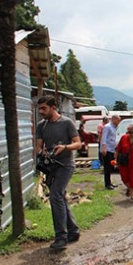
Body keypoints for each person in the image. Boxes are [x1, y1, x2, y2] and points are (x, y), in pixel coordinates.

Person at [35, 96, 83, 250]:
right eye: (39, 108)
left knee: (55, 195)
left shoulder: (67, 123)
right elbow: (38, 147)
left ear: (53, 107)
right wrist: (40, 156)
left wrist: (65, 148)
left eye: (44, 108)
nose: (41, 111)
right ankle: (73, 231)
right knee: (60, 196)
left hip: (66, 165)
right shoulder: (41, 126)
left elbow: (78, 143)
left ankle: (61, 237)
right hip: (51, 167)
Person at [100, 114, 121, 190]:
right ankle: (107, 184)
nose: (119, 122)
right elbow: (104, 138)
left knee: (112, 166)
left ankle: (110, 182)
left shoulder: (114, 128)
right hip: (107, 149)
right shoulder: (107, 127)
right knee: (107, 167)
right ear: (114, 119)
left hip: (112, 149)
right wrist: (104, 148)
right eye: (118, 120)